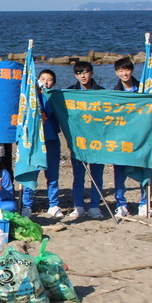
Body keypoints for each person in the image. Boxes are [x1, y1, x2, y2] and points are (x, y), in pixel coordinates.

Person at [110, 57, 152, 217]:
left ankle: (145, 204)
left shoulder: (145, 90)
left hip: (142, 137)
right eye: (121, 71)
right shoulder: (114, 92)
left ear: (132, 70)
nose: (124, 73)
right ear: (116, 72)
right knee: (119, 172)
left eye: (127, 70)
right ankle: (121, 205)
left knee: (145, 169)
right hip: (122, 138)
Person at [22, 69, 64, 219]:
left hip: (51, 139)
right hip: (35, 141)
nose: (46, 82)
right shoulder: (31, 95)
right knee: (31, 173)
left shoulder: (54, 97)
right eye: (43, 79)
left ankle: (53, 204)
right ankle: (27, 205)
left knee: (52, 174)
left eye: (49, 79)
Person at [66, 61, 105, 220]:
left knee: (97, 176)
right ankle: (79, 206)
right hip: (78, 141)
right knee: (78, 177)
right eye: (79, 73)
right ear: (75, 75)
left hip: (97, 141)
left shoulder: (102, 92)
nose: (83, 75)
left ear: (92, 73)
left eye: (86, 72)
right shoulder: (70, 92)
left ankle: (95, 206)